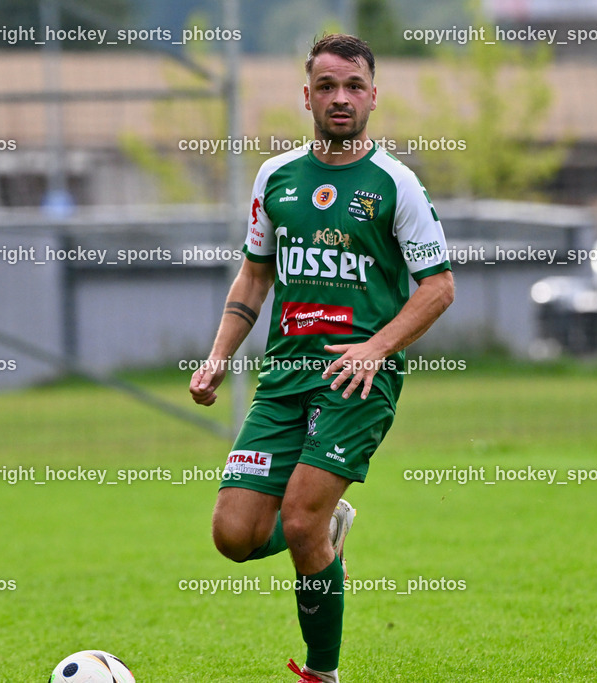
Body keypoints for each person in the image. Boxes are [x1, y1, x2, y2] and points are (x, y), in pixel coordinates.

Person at [188, 33, 455, 682]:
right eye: (328, 86)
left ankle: (321, 672)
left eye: (354, 86)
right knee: (233, 534)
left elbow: (440, 287)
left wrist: (376, 346)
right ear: (306, 95)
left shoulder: (396, 184)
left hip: (356, 378)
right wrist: (219, 355)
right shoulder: (275, 178)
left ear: (372, 95)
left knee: (300, 518)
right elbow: (253, 276)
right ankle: (323, 524)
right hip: (283, 377)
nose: (341, 98)